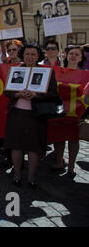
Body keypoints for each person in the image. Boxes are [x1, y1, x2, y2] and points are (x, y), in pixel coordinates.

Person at [4, 44, 58, 189]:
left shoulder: (47, 72)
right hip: (17, 113)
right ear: (23, 55)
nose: (30, 57)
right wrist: (17, 94)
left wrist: (36, 95)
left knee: (33, 147)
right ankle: (17, 174)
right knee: (17, 145)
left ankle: (31, 177)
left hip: (36, 115)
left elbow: (53, 93)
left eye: (33, 54)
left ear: (38, 56)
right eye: (27, 54)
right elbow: (7, 91)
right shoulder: (15, 70)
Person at [52, 46, 86, 178]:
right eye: (71, 53)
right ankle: (59, 161)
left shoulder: (85, 74)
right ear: (66, 55)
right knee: (59, 137)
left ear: (81, 58)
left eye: (77, 54)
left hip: (76, 113)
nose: (73, 56)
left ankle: (71, 166)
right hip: (60, 111)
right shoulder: (60, 72)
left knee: (73, 139)